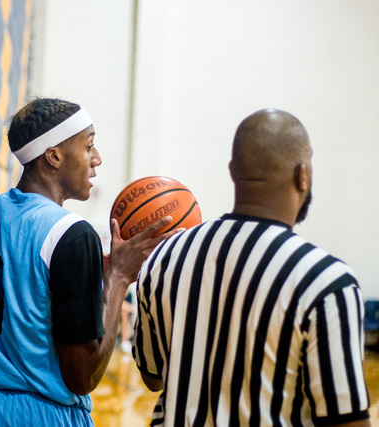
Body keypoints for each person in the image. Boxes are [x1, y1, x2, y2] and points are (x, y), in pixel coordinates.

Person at [0, 98, 178, 426]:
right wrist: (118, 279)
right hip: (39, 415)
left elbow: (6, 298)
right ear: (53, 156)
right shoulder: (70, 233)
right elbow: (82, 377)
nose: (97, 160)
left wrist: (93, 272)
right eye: (89, 147)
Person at [133, 109, 371, 426]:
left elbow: (153, 376)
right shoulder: (327, 281)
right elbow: (346, 420)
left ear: (233, 171)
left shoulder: (163, 259)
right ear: (303, 175)